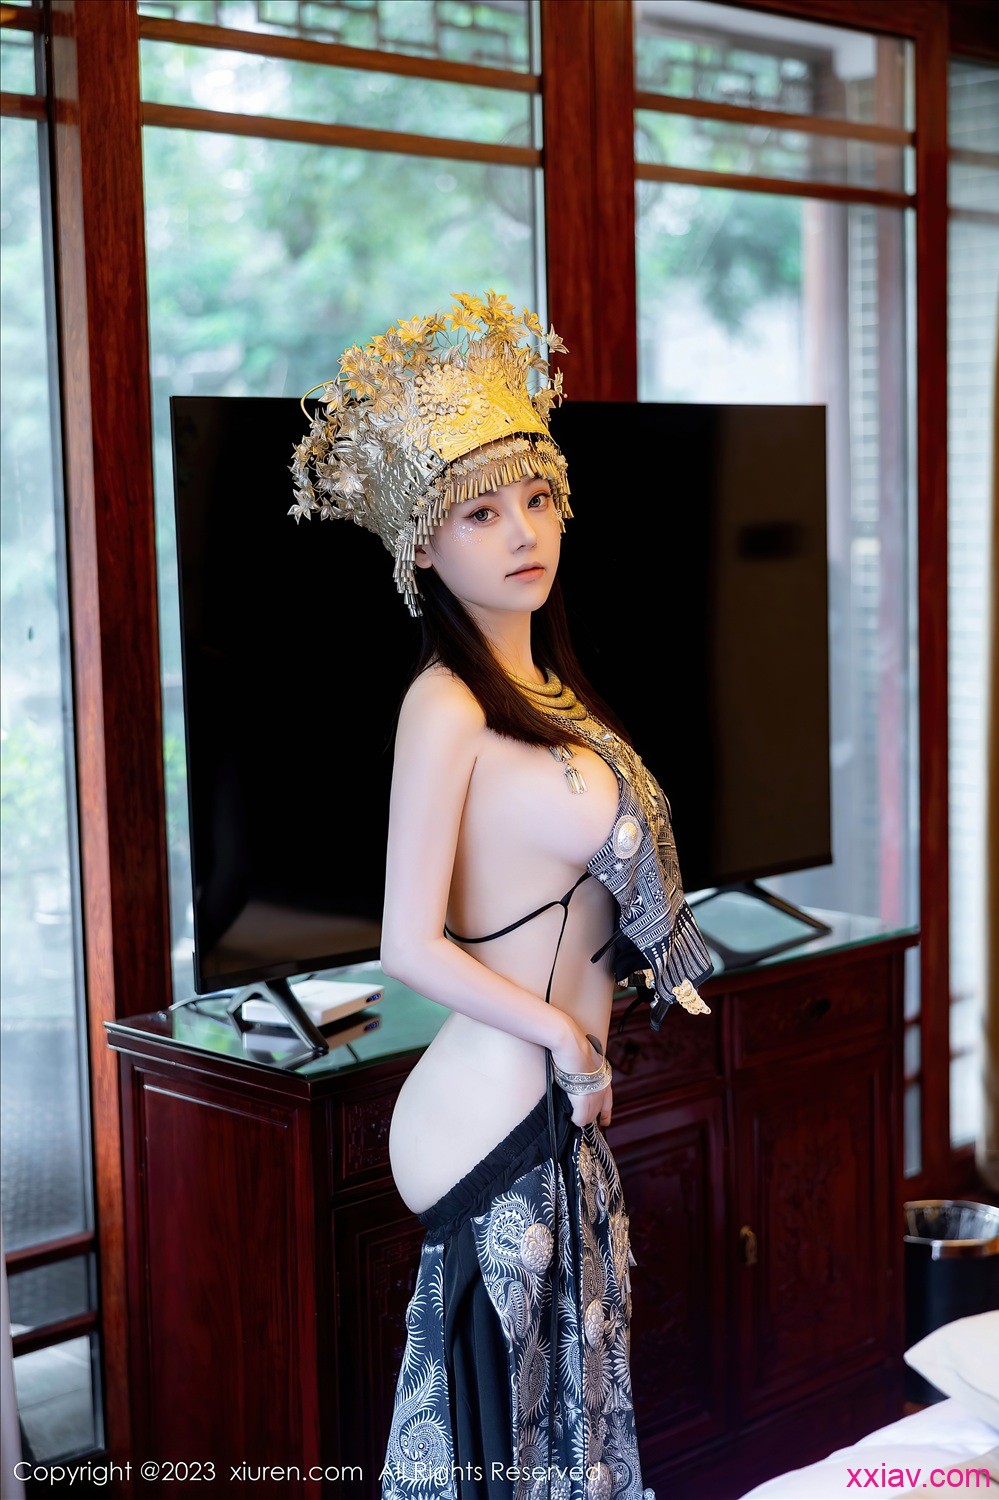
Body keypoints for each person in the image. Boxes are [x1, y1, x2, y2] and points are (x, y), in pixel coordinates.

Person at [289, 291, 715, 1500]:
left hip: (552, 1103)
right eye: (480, 512)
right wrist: (567, 1039)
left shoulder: (549, 689)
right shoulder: (444, 703)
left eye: (535, 497)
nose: (522, 530)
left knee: (560, 1444)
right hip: (490, 1111)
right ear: (424, 547)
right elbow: (405, 943)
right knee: (500, 1455)